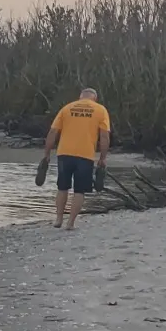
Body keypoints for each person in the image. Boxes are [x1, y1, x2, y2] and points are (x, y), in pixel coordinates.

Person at [42, 86, 111, 230]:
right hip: (85, 155)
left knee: (62, 187)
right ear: (95, 98)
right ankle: (70, 223)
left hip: (64, 154)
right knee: (80, 190)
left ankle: (58, 219)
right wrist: (103, 157)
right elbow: (104, 136)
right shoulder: (100, 110)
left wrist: (46, 154)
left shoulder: (67, 108)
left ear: (80, 97)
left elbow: (53, 132)